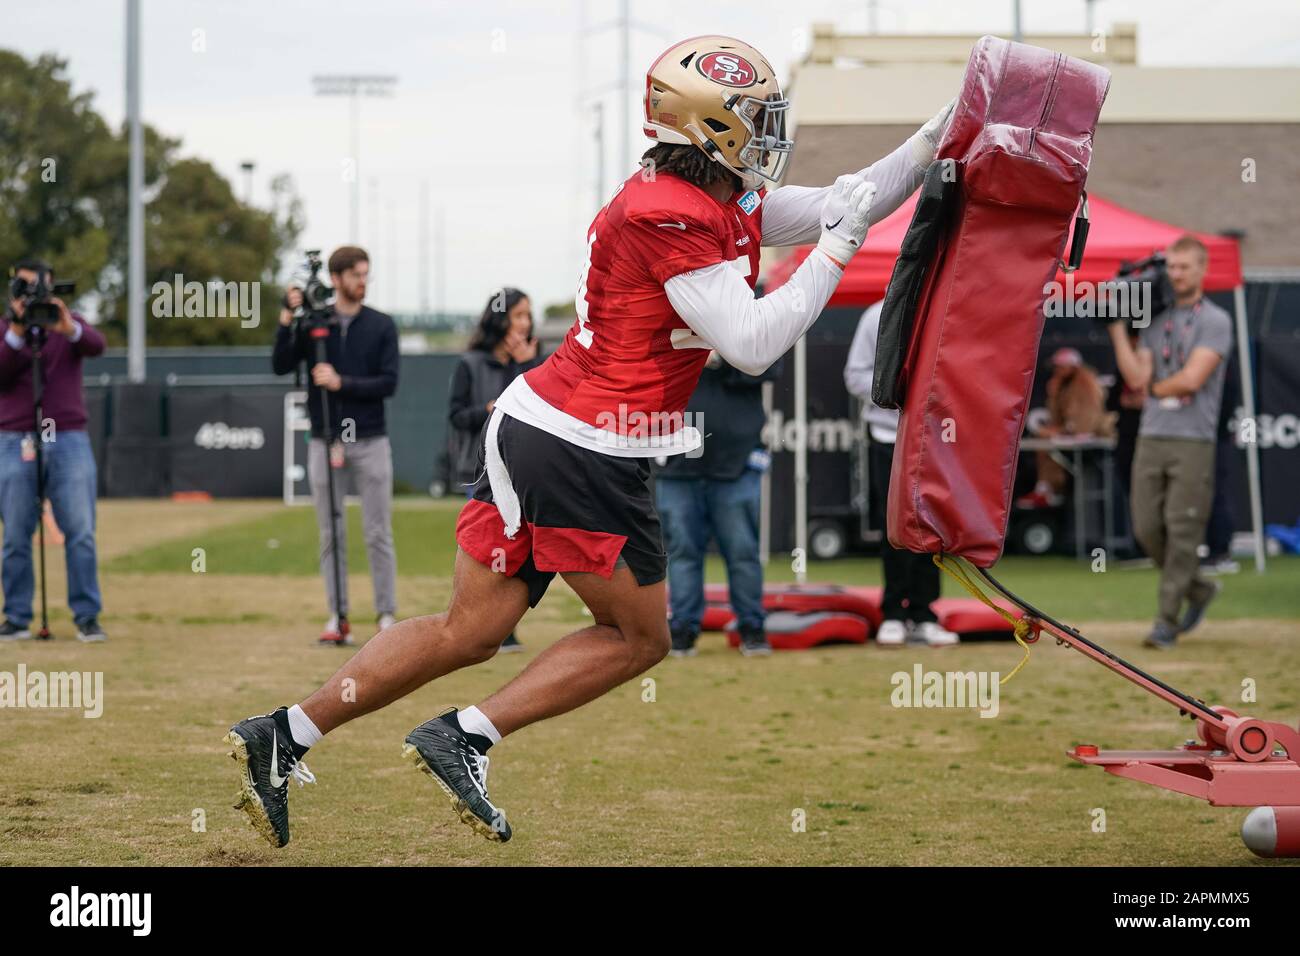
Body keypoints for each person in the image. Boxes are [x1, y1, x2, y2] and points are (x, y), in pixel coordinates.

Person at [227, 34, 955, 848]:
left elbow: (848, 195)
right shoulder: (671, 213)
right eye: (755, 116)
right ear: (710, 128)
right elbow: (753, 342)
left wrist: (934, 140)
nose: (770, 129)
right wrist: (841, 248)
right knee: (642, 637)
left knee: (466, 631)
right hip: (585, 443)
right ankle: (464, 736)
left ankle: (284, 734)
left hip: (536, 422)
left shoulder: (712, 193)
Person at [1107, 235, 1233, 649]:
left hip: (1193, 439)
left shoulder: (1215, 320)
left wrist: (1156, 390)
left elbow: (1193, 378)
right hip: (1152, 435)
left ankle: (1165, 622)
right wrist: (1116, 327)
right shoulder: (1154, 317)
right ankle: (1198, 588)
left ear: (1202, 269)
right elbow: (1136, 377)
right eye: (1172, 267)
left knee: (1182, 530)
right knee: (1146, 528)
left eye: (1184, 267)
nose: (1176, 274)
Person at [271, 246, 399, 644]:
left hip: (370, 439)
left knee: (377, 531)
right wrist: (287, 317)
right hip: (325, 440)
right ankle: (337, 615)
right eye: (357, 274)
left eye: (366, 274)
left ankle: (385, 616)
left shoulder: (381, 325)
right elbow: (279, 364)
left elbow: (388, 382)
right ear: (338, 277)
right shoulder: (315, 324)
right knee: (331, 530)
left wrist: (342, 382)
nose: (363, 282)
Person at [0, 258, 107, 642]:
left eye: (36, 287)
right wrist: (15, 328)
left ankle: (86, 615)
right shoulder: (5, 330)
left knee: (80, 530)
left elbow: (97, 345)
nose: (30, 296)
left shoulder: (65, 323)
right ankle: (15, 616)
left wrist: (68, 327)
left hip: (68, 436)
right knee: (15, 533)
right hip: (16, 438)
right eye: (22, 288)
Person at [844, 301, 958, 647]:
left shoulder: (946, 311)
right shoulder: (876, 315)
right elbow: (855, 375)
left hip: (934, 437)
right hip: (888, 436)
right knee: (893, 525)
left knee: (932, 523)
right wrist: (895, 394)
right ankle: (893, 612)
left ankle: (924, 613)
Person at [656, 350, 778, 658]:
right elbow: (649, 366)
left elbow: (771, 363)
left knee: (742, 551)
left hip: (736, 460)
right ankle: (682, 629)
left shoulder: (751, 308)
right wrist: (695, 353)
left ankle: (752, 628)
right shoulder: (670, 306)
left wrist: (722, 357)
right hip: (678, 459)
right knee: (682, 550)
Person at [448, 287, 545, 652]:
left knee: (521, 550)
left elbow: (545, 405)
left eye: (527, 316)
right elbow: (456, 416)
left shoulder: (537, 361)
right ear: (500, 319)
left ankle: (505, 626)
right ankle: (480, 624)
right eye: (517, 315)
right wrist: (487, 410)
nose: (524, 323)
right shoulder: (470, 363)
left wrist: (525, 364)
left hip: (526, 470)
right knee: (487, 551)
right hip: (485, 472)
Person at [1015, 347, 1112, 509]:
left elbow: (1086, 421)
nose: (1057, 371)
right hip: (1073, 438)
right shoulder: (1062, 385)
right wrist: (1053, 395)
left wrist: (1063, 431)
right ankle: (1046, 489)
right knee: (1044, 441)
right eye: (1056, 367)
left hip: (1092, 441)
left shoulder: (1085, 383)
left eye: (1060, 367)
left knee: (1048, 441)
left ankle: (1049, 489)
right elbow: (1056, 419)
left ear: (1073, 366)